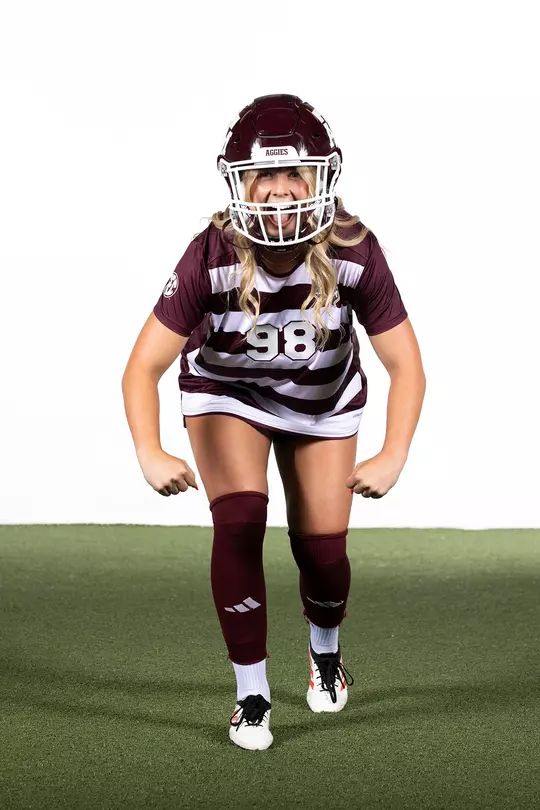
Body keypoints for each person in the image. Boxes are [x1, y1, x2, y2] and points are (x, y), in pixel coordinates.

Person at [122, 94, 426, 751]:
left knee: (322, 553)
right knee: (239, 523)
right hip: (229, 394)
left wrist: (394, 451)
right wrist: (149, 448)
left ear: (322, 179)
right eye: (264, 175)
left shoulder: (352, 247)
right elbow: (141, 365)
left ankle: (325, 653)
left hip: (322, 401)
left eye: (296, 175)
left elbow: (406, 363)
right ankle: (252, 696)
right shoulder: (211, 254)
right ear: (239, 184)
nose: (282, 192)